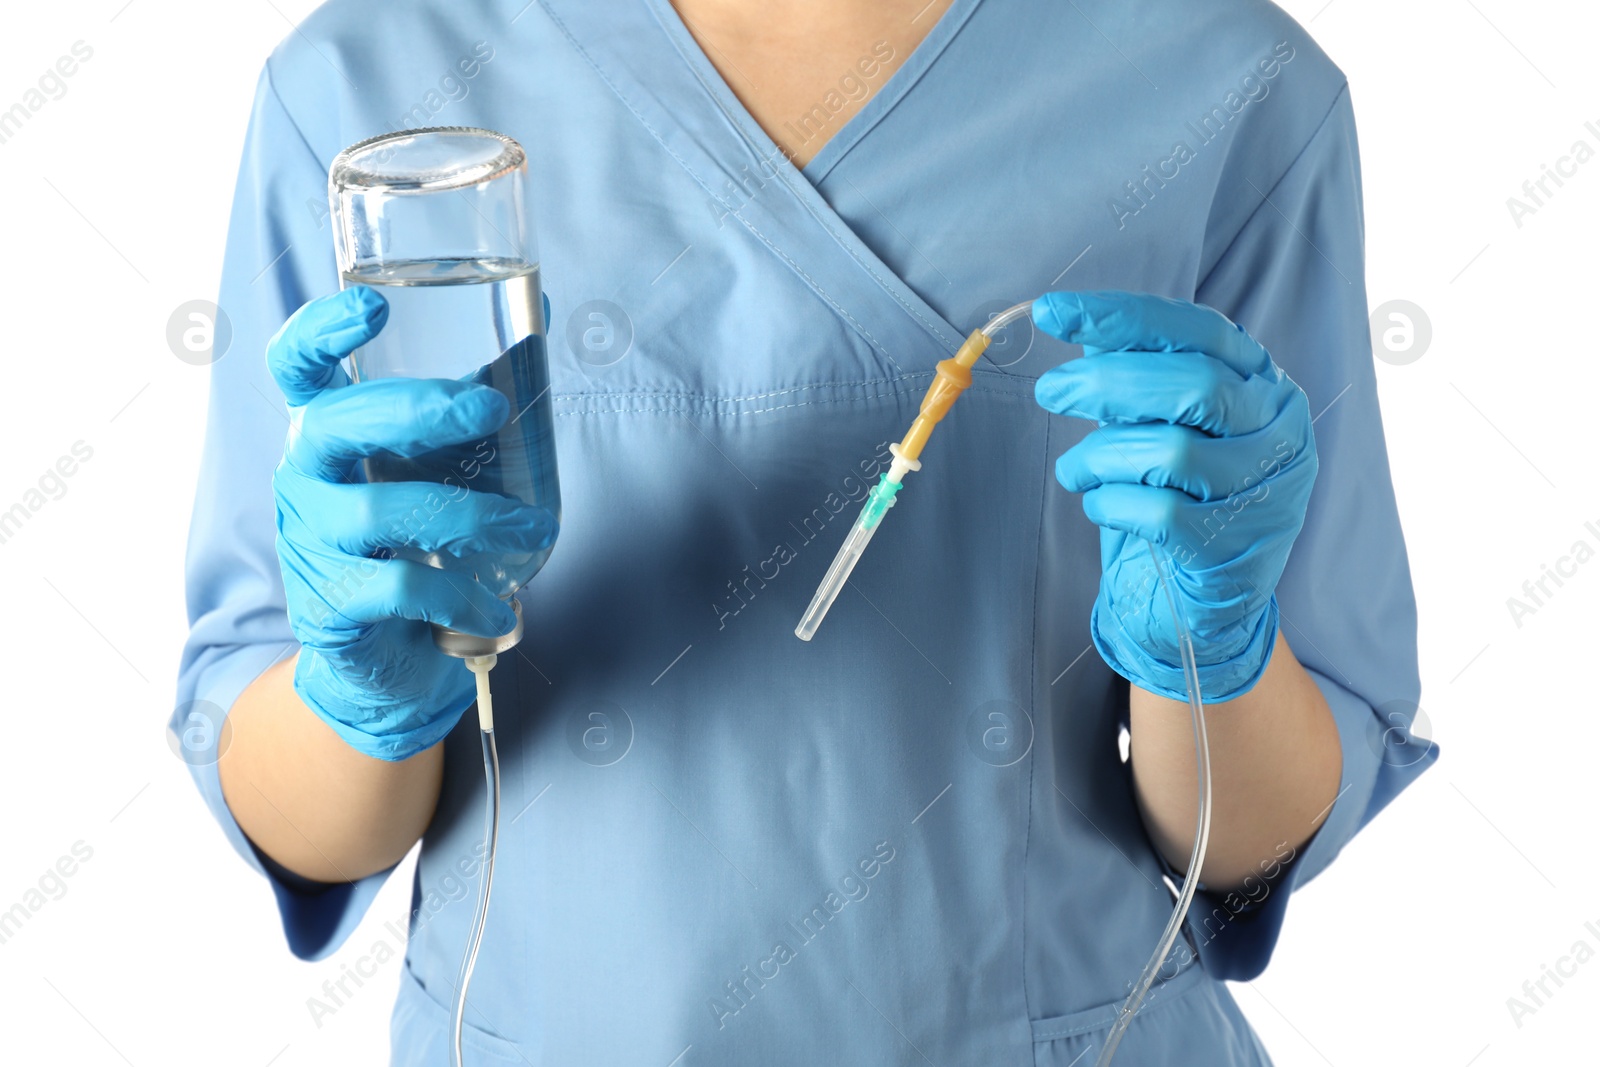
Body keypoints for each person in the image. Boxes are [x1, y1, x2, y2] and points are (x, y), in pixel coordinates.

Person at [176, 0, 1436, 1063]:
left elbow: (1263, 842)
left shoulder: (1217, 77)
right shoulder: (372, 74)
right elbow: (294, 812)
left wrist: (1206, 648)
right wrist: (358, 699)